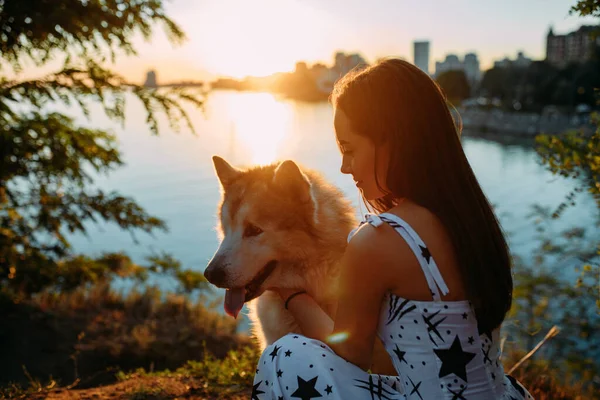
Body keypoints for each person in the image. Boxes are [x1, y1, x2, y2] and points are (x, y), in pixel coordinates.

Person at [252, 59, 533, 399]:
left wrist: (292, 295)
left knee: (287, 356)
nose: (344, 167)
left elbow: (350, 353)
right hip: (498, 394)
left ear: (391, 141)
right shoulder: (473, 222)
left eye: (349, 149)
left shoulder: (379, 239)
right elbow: (409, 356)